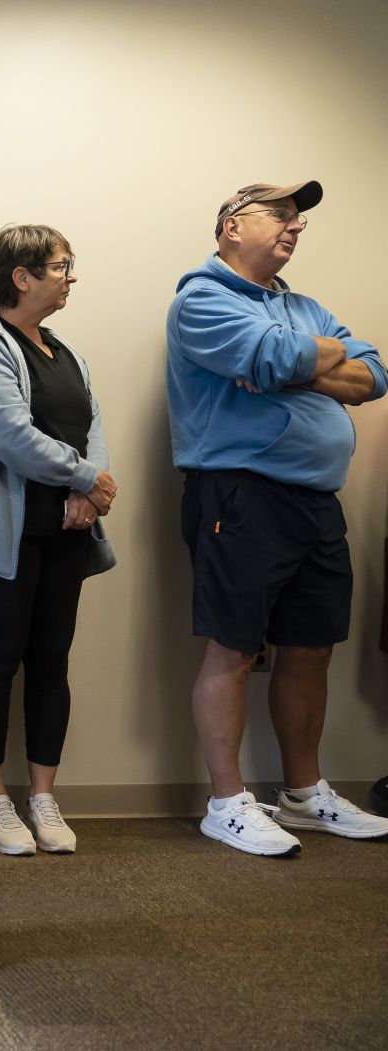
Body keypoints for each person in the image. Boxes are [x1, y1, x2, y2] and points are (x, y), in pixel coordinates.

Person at [167, 181, 388, 856]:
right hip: (240, 494)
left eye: (301, 220)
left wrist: (293, 365)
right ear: (233, 225)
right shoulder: (200, 298)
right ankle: (227, 803)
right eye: (281, 215)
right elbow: (283, 356)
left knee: (311, 646)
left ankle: (302, 793)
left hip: (316, 500)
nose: (295, 227)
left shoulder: (305, 304)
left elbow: (373, 374)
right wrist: (303, 357)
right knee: (234, 649)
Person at [0, 224, 117, 857]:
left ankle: (42, 795)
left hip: (68, 528)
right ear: (22, 276)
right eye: (62, 265)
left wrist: (87, 490)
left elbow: (90, 426)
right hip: (1, 531)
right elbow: (9, 434)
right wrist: (88, 478)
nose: (72, 276)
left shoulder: (65, 351)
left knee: (52, 661)